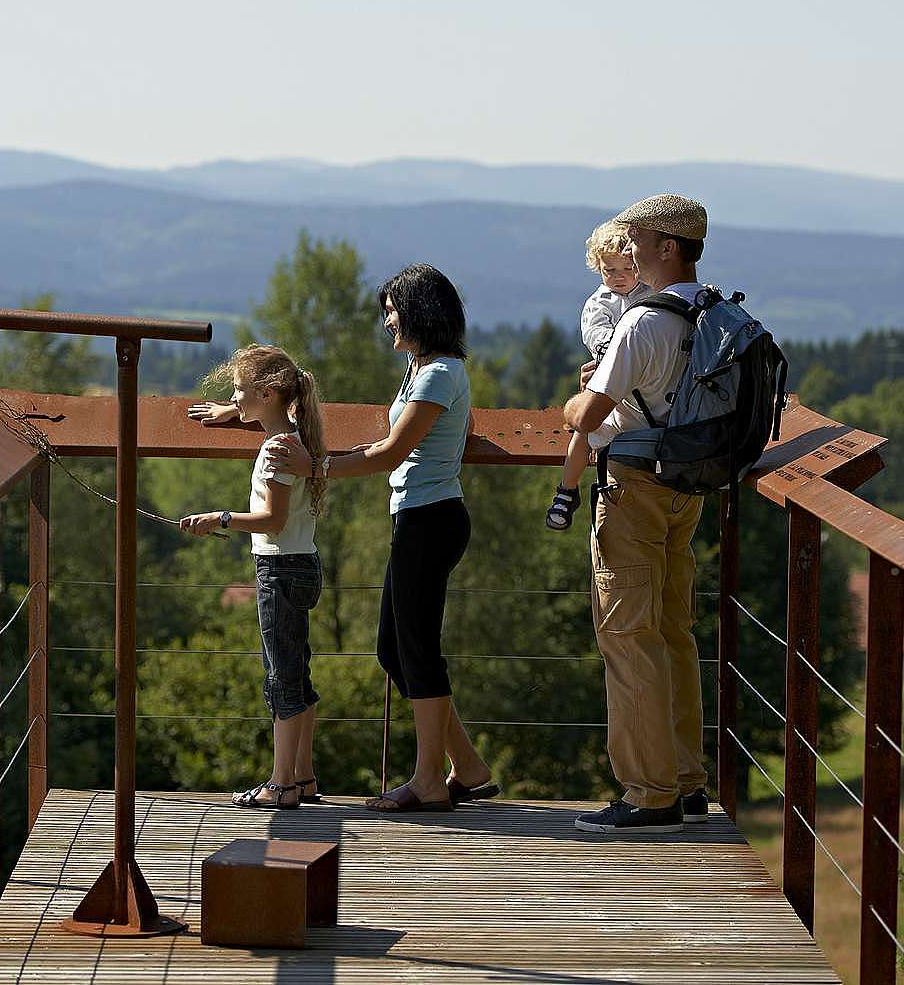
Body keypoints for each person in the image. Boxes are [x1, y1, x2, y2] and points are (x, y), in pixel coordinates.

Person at [267, 263, 497, 812]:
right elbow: (452, 431)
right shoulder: (428, 371)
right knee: (394, 650)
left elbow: (392, 452)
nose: (388, 321)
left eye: (393, 311)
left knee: (415, 650)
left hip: (430, 519)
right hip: (424, 517)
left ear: (421, 312)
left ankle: (428, 782)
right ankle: (466, 766)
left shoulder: (438, 373)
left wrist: (314, 465)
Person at [561, 194, 712, 834]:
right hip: (688, 486)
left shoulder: (641, 324)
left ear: (668, 248)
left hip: (632, 489)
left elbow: (589, 416)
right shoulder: (711, 312)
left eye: (642, 238)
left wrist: (573, 401)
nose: (632, 247)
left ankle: (648, 794)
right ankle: (685, 778)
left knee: (628, 636)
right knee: (674, 632)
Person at [181, 345, 329, 809]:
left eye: (239, 390)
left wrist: (219, 517)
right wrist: (234, 410)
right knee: (296, 671)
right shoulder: (293, 436)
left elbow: (271, 520)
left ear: (267, 394)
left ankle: (282, 783)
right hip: (303, 564)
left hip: (278, 569)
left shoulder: (277, 451)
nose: (233, 397)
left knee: (281, 678)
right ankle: (303, 777)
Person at [546, 219, 655, 531]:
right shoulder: (599, 303)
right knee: (584, 428)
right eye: (610, 271)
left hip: (641, 387)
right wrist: (614, 351)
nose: (619, 277)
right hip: (610, 380)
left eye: (626, 268)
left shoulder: (651, 292)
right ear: (598, 268)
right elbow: (597, 335)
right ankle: (567, 489)